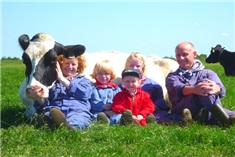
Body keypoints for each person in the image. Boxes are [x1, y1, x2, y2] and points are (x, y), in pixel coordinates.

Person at [165, 41, 235, 127]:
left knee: (206, 83)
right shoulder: (172, 76)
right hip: (185, 110)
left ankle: (206, 118)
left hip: (208, 108)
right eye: (178, 55)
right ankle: (225, 118)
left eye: (185, 54)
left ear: (194, 54)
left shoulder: (208, 73)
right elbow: (178, 88)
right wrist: (195, 89)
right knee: (204, 84)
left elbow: (222, 90)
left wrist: (216, 88)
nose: (181, 58)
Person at [122, 52, 189, 124]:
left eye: (138, 66)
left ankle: (182, 121)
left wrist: (149, 108)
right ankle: (131, 121)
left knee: (161, 116)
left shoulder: (152, 84)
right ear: (127, 66)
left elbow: (159, 101)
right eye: (131, 66)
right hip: (130, 112)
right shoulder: (122, 84)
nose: (135, 68)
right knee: (120, 116)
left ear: (143, 67)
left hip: (149, 111)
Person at [33, 51, 93, 130]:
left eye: (73, 64)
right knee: (47, 114)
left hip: (77, 110)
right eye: (67, 63)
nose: (70, 67)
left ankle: (68, 128)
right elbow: (45, 104)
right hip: (56, 109)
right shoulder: (52, 82)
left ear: (78, 66)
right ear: (60, 64)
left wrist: (62, 79)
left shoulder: (83, 80)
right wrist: (39, 97)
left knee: (79, 120)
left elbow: (84, 94)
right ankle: (55, 123)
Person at [90, 60, 122, 124]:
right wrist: (104, 107)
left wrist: (114, 108)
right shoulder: (94, 88)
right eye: (100, 73)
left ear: (111, 75)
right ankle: (104, 122)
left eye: (107, 73)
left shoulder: (115, 88)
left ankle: (120, 121)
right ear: (95, 74)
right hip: (99, 111)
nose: (103, 76)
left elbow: (121, 100)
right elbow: (94, 102)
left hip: (113, 111)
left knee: (119, 116)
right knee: (96, 116)